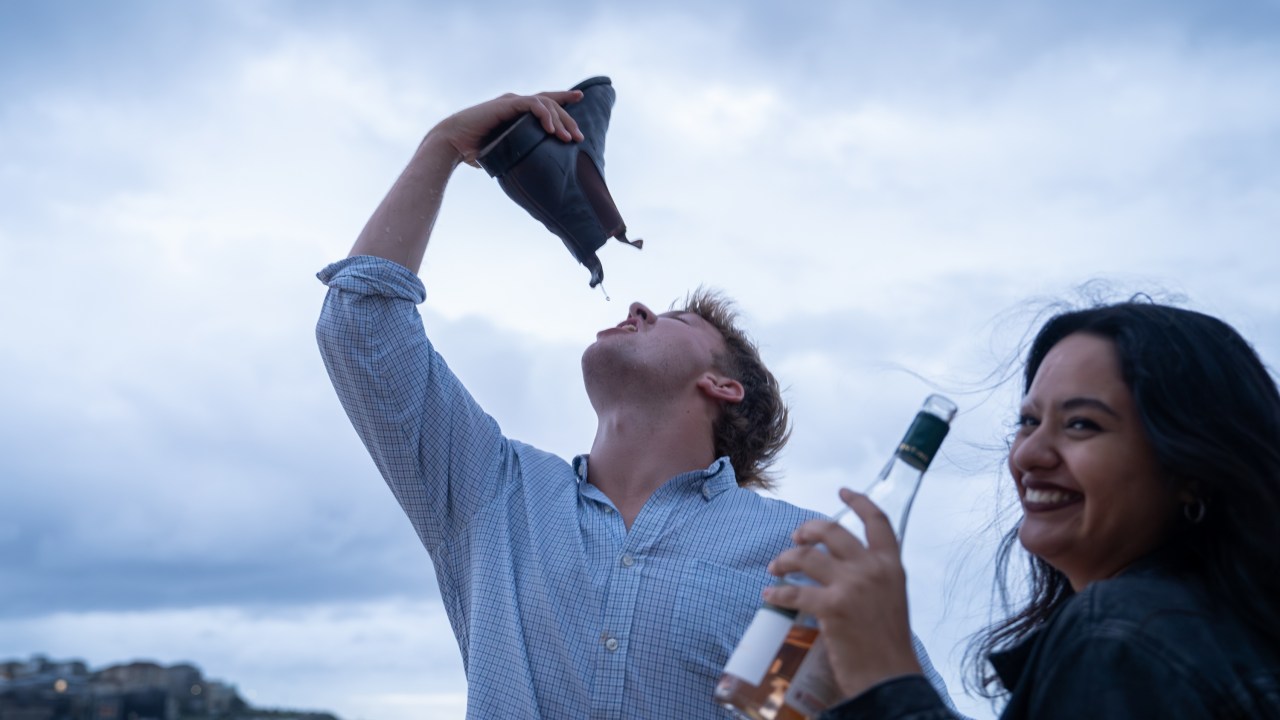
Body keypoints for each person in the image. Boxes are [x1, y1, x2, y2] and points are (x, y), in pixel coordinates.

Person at [314, 87, 958, 719]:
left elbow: (910, 707)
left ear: (722, 387)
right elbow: (361, 327)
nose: (637, 306)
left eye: (676, 319)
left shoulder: (804, 553)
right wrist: (443, 146)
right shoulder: (494, 493)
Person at [764, 301, 1280, 719]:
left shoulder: (1123, 635)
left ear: (1191, 467)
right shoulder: (1200, 630)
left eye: (1081, 424)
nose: (1028, 455)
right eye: (1029, 421)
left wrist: (887, 678)